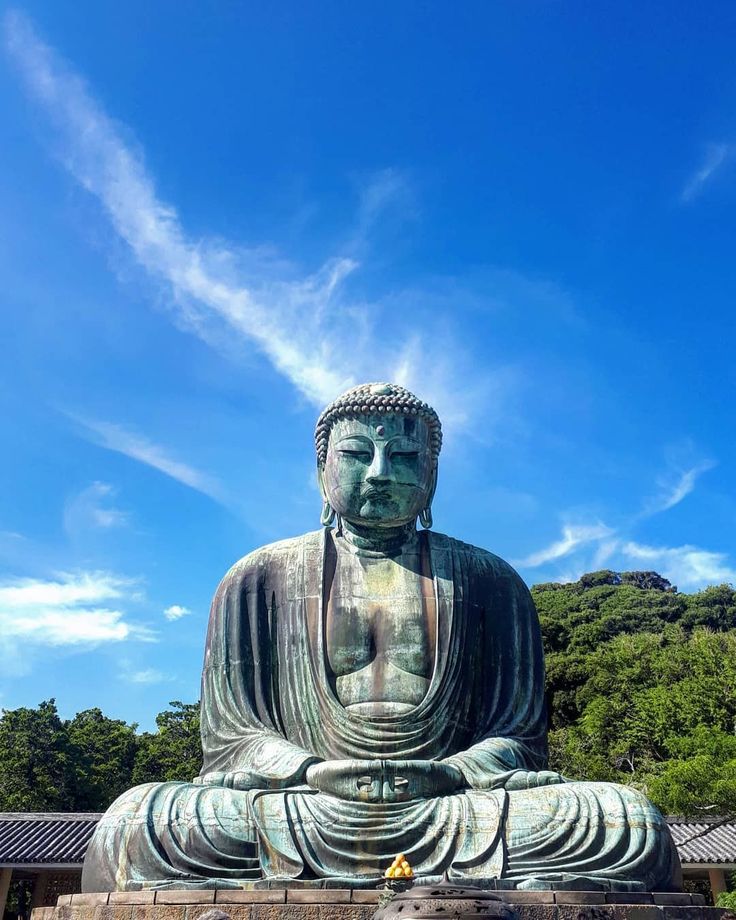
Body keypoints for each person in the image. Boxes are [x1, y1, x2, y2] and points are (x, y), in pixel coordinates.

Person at [82, 382, 680, 892]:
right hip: (304, 802)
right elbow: (234, 738)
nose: (380, 474)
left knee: (626, 820)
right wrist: (310, 770)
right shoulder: (256, 579)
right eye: (357, 455)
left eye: (403, 457)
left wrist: (449, 772)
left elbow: (517, 737)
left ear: (432, 473)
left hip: (453, 804)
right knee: (137, 822)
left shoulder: (491, 582)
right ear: (322, 471)